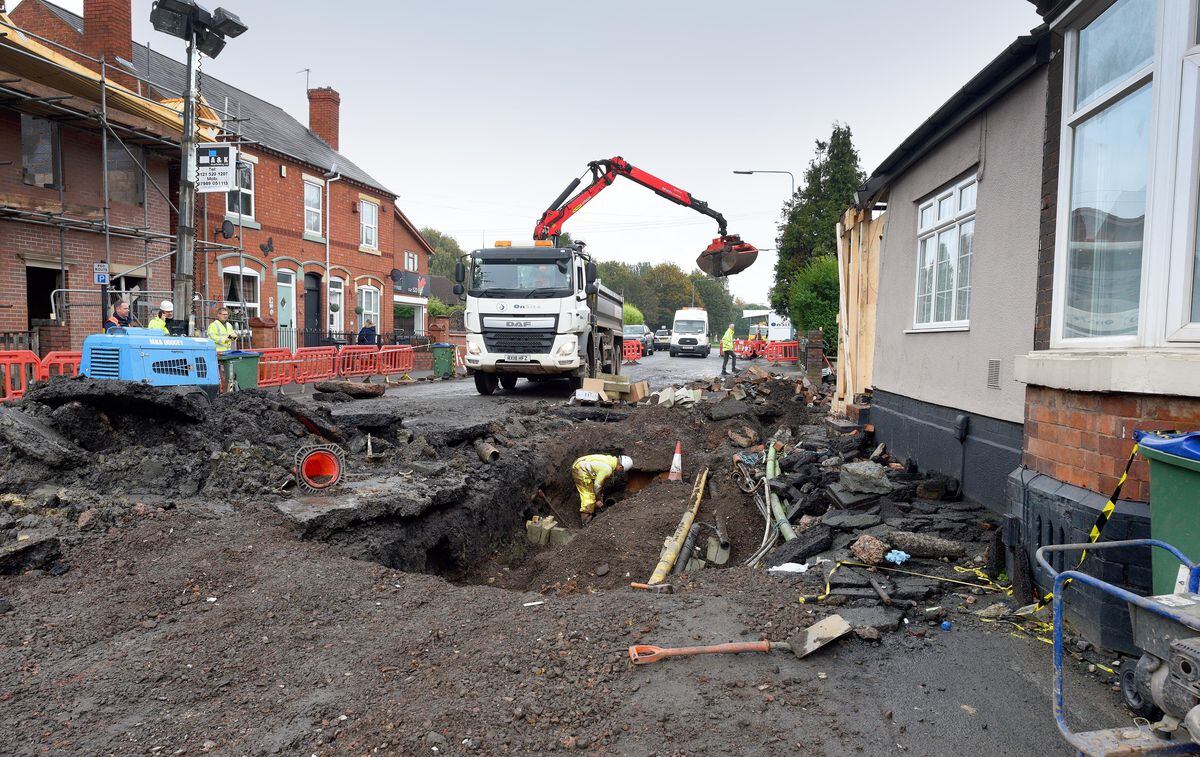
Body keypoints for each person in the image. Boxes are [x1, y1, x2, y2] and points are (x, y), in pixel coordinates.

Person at [571, 453, 633, 525]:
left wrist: (599, 497)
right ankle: (585, 519)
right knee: (589, 496)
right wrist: (597, 499)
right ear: (620, 467)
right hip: (580, 470)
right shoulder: (607, 469)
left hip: (581, 463)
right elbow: (597, 485)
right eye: (621, 470)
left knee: (593, 491)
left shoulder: (611, 460)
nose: (620, 471)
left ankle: (592, 508)